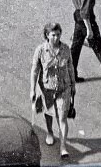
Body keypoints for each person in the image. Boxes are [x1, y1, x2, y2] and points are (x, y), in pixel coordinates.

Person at [30, 22, 76, 158]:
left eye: (58, 34)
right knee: (48, 113)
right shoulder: (40, 50)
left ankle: (63, 146)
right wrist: (32, 89)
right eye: (53, 35)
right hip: (47, 88)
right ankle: (50, 132)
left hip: (63, 88)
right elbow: (34, 70)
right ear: (47, 35)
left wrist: (73, 85)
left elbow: (70, 67)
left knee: (62, 117)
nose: (56, 38)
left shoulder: (66, 49)